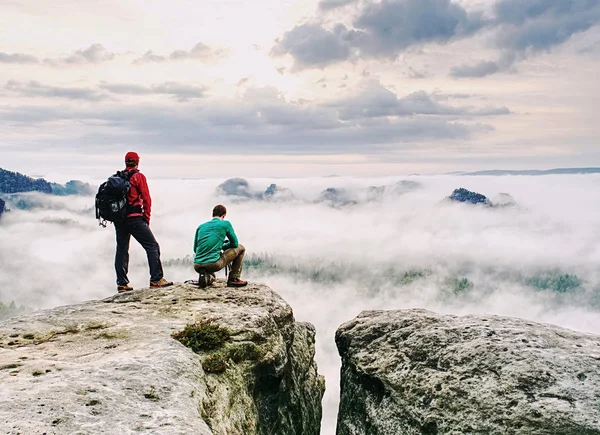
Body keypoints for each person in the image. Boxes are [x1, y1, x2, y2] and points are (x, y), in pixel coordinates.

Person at [114, 152, 173, 292]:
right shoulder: (138, 177)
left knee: (121, 250)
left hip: (119, 220)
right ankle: (156, 279)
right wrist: (146, 218)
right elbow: (147, 199)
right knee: (152, 246)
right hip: (134, 218)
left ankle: (122, 283)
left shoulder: (117, 178)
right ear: (137, 162)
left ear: (125, 162)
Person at [193, 204, 248, 288]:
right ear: (223, 215)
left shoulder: (200, 227)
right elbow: (235, 244)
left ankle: (206, 278)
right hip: (213, 264)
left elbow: (195, 249)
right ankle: (234, 278)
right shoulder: (225, 224)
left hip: (197, 265)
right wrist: (223, 246)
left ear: (213, 214)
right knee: (241, 248)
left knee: (212, 277)